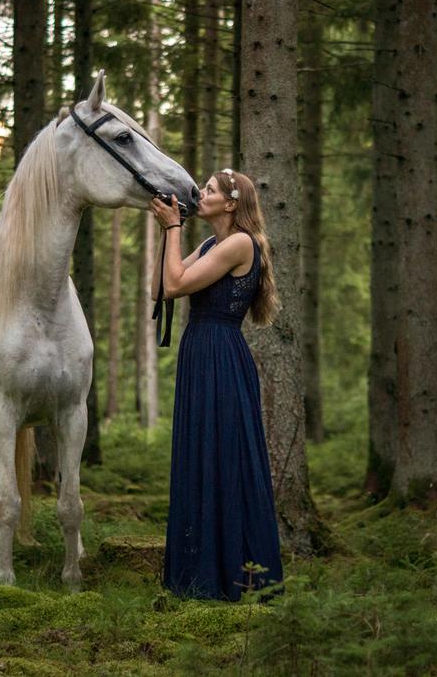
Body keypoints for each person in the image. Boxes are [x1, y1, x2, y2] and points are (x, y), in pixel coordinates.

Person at [149, 168, 285, 602]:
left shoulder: (240, 244)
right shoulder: (210, 243)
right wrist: (168, 233)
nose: (199, 193)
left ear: (230, 204)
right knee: (199, 455)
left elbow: (175, 284)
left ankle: (232, 577)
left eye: (208, 189)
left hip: (222, 355)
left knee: (224, 458)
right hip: (199, 352)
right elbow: (160, 288)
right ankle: (199, 574)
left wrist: (173, 227)